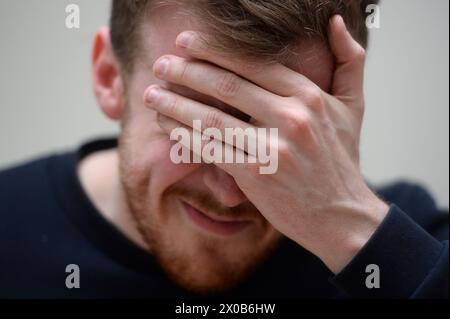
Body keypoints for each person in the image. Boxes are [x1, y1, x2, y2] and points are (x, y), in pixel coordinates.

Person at [0, 0, 448, 299]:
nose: (232, 192)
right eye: (191, 121)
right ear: (108, 78)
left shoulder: (412, 250)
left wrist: (350, 226)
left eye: (278, 133)